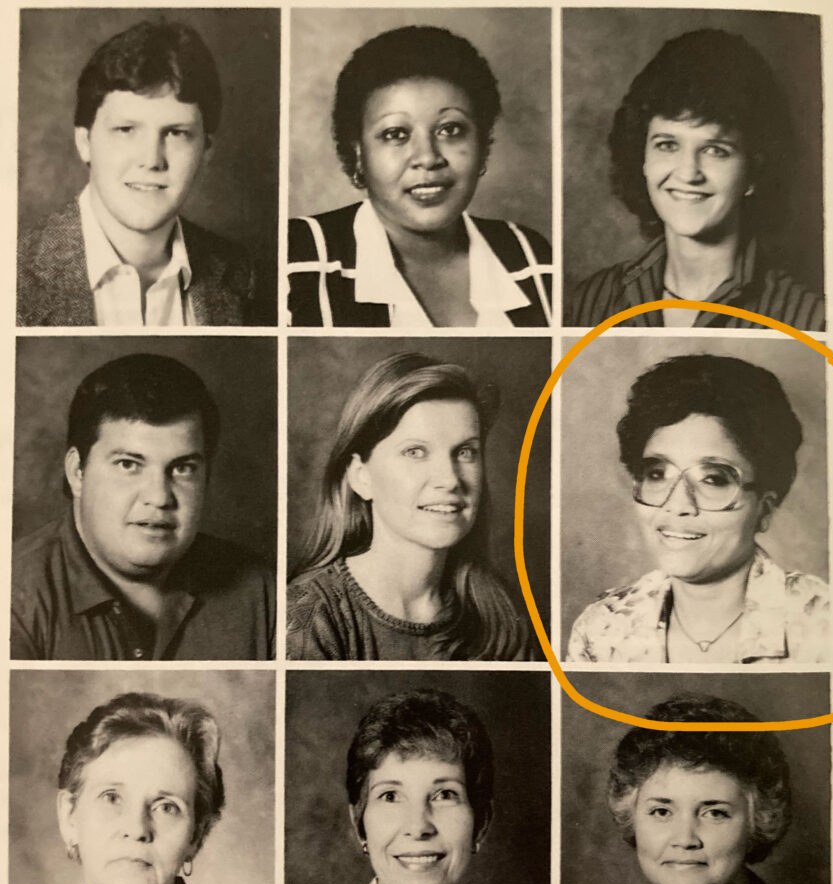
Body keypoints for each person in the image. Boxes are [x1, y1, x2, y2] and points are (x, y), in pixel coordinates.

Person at [561, 693, 831, 884]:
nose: (685, 838)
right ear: (631, 816)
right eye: (662, 812)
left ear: (758, 820)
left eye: (714, 812)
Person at [286, 688, 548, 884]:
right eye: (390, 796)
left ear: (481, 823)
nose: (418, 826)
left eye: (445, 794)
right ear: (360, 825)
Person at [9, 691, 274, 884]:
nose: (137, 829)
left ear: (196, 835)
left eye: (166, 807)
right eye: (112, 798)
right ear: (70, 816)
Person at [567, 354, 828, 663]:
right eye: (657, 474)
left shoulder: (825, 624)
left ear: (765, 508)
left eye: (713, 479)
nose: (678, 505)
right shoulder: (602, 626)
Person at [11, 353, 275, 660]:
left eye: (182, 468)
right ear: (77, 472)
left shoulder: (260, 592)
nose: (159, 497)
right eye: (128, 464)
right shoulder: (15, 598)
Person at [287, 25, 552, 327]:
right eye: (396, 133)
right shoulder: (298, 255)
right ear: (359, 154)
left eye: (450, 129)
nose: (427, 157)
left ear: (481, 144)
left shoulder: (530, 254)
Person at [18, 20, 271, 327]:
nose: (151, 160)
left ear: (206, 151)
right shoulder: (15, 273)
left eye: (177, 133)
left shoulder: (244, 276)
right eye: (126, 130)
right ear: (85, 142)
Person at [566, 29, 825, 330]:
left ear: (754, 172)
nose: (688, 173)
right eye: (667, 145)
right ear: (642, 159)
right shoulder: (592, 300)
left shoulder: (810, 319)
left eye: (716, 150)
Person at [286, 352, 532, 660]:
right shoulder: (311, 616)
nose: (450, 480)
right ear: (362, 477)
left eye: (466, 452)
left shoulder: (503, 613)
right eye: (415, 451)